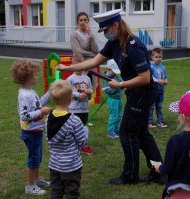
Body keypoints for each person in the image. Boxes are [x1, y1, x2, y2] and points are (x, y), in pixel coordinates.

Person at [56, 9, 165, 184]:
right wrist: (67, 68)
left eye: (106, 30)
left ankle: (130, 176)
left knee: (127, 133)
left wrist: (120, 84)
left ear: (115, 25)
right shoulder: (114, 44)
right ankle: (159, 170)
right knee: (142, 133)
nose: (105, 34)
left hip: (143, 93)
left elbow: (145, 78)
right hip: (135, 92)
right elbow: (93, 61)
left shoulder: (133, 46)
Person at [12, 60, 52, 195]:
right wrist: (41, 112)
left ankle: (37, 180)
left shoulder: (30, 91)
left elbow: (37, 104)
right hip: (31, 132)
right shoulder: (25, 95)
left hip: (36, 131)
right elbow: (24, 115)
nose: (37, 77)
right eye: (35, 75)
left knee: (37, 157)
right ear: (29, 77)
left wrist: (49, 94)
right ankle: (30, 186)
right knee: (34, 158)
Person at [46, 80, 88, 199]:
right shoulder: (74, 121)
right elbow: (83, 142)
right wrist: (85, 131)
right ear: (70, 99)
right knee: (72, 192)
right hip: (71, 166)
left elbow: (48, 138)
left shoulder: (48, 117)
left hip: (54, 164)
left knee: (56, 191)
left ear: (53, 99)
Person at [66, 54, 93, 155]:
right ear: (72, 65)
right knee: (74, 128)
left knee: (83, 127)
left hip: (84, 108)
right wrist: (78, 95)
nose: (79, 67)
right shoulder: (70, 79)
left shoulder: (87, 78)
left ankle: (83, 145)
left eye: (81, 64)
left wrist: (90, 92)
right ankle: (74, 146)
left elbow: (91, 91)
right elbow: (68, 92)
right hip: (74, 109)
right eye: (77, 65)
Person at [71, 12, 99, 91]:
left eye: (85, 20)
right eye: (81, 20)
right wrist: (92, 54)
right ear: (77, 22)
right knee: (80, 88)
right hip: (80, 65)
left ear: (88, 21)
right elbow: (77, 51)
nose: (83, 22)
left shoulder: (91, 35)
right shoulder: (74, 34)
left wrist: (90, 35)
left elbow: (96, 50)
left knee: (91, 88)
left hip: (92, 65)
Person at [148, 47, 168, 129]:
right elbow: (149, 77)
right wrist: (157, 80)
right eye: (156, 57)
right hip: (153, 90)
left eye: (160, 57)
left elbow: (165, 77)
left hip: (161, 90)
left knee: (159, 106)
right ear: (152, 57)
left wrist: (166, 81)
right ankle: (149, 122)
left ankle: (160, 121)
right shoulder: (151, 66)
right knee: (151, 106)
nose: (158, 59)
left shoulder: (163, 67)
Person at [102, 59, 122, 138]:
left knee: (119, 115)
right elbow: (106, 90)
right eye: (114, 71)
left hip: (119, 99)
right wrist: (116, 87)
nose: (115, 73)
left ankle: (116, 130)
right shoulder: (106, 78)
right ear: (109, 69)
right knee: (114, 115)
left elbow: (120, 82)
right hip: (113, 99)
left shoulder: (115, 75)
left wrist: (121, 84)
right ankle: (110, 131)